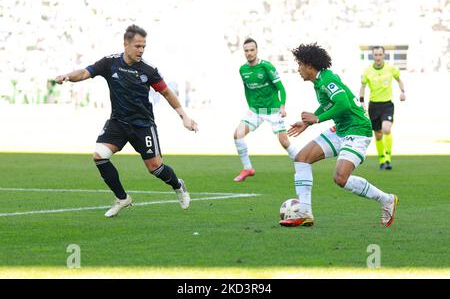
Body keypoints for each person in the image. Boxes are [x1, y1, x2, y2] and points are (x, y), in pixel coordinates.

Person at [55, 25, 198, 217]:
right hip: (118, 123)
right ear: (126, 45)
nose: (141, 50)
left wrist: (184, 117)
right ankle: (122, 198)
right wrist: (67, 76)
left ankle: (178, 185)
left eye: (143, 47)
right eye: (137, 46)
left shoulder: (148, 70)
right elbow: (85, 73)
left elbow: (165, 92)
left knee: (155, 168)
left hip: (143, 125)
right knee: (99, 156)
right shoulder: (110, 63)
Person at [280, 43, 398, 228]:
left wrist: (317, 119)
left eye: (300, 64)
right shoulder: (319, 82)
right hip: (341, 129)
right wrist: (308, 122)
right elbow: (330, 105)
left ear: (310, 65)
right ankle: (305, 212)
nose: (298, 69)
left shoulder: (326, 79)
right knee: (302, 159)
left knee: (340, 178)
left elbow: (342, 103)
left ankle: (386, 199)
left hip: (357, 130)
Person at [233, 38, 299, 182]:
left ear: (256, 50)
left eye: (252, 50)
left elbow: (280, 88)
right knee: (237, 134)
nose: (249, 53)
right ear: (243, 52)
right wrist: (250, 106)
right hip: (255, 111)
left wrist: (282, 106)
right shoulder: (242, 70)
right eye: (246, 50)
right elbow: (247, 89)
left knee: (284, 142)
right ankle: (247, 168)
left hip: (273, 110)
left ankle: (301, 162)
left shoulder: (267, 67)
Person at [360, 46, 406, 170]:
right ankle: (381, 160)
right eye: (376, 55)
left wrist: (402, 92)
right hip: (374, 105)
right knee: (378, 134)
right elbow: (363, 87)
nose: (378, 57)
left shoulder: (391, 69)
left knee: (386, 129)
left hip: (387, 105)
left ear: (383, 55)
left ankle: (388, 159)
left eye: (380, 54)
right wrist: (362, 101)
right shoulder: (367, 71)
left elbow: (399, 80)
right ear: (373, 56)